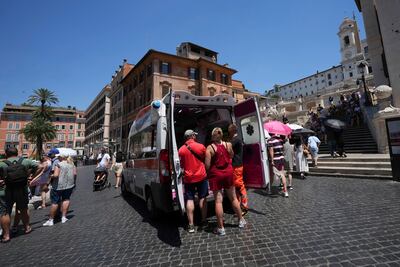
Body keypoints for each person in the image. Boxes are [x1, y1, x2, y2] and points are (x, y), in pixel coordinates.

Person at [205, 127, 246, 236]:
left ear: (213, 136)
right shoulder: (228, 144)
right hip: (228, 173)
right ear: (222, 135)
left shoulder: (210, 148)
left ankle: (221, 228)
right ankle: (241, 220)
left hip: (216, 175)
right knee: (233, 198)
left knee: (218, 201)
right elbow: (231, 155)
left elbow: (207, 165)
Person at [0, 147, 42, 241]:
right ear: (17, 153)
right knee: (23, 208)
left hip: (5, 191)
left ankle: (6, 235)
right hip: (21, 189)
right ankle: (27, 227)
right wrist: (31, 177)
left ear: (6, 154)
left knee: (5, 212)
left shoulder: (2, 163)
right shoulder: (26, 161)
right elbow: (41, 167)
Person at [178, 129, 208, 233]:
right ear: (192, 136)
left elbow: (180, 165)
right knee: (202, 198)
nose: (195, 136)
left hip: (188, 178)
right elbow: (206, 159)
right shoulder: (201, 146)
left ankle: (191, 225)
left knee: (189, 200)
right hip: (201, 176)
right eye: (194, 135)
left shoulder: (181, 150)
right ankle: (204, 221)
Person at [43, 155, 77, 226]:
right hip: (69, 185)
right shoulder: (72, 164)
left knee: (54, 202)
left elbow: (56, 175)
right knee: (66, 199)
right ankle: (64, 217)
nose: (58, 158)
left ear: (62, 157)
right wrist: (74, 183)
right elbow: (74, 174)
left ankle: (51, 220)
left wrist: (50, 176)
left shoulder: (58, 164)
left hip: (58, 186)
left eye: (59, 157)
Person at [228, 124, 248, 215]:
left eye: (229, 131)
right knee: (237, 186)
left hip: (237, 165)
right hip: (236, 165)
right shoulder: (236, 139)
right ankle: (240, 206)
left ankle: (244, 206)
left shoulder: (235, 140)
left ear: (232, 131)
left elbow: (228, 147)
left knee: (239, 186)